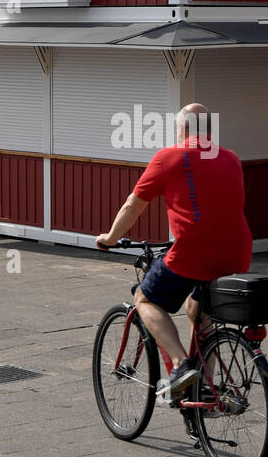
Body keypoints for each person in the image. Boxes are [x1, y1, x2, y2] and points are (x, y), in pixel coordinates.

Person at [96, 103, 253, 399]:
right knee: (196, 309)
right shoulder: (231, 158)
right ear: (209, 130)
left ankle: (181, 365)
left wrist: (111, 237)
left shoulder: (168, 157)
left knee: (144, 297)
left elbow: (133, 206)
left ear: (181, 130)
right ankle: (204, 385)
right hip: (237, 254)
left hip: (194, 253)